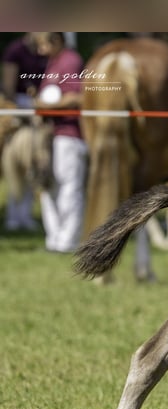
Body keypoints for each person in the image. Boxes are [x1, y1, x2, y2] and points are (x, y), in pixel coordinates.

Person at [33, 32, 88, 253]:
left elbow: (77, 97)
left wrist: (48, 106)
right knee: (49, 187)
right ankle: (54, 240)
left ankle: (68, 241)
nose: (40, 51)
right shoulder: (53, 62)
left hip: (70, 134)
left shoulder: (71, 60)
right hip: (52, 134)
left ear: (57, 41)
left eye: (43, 45)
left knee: (69, 188)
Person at [2, 33, 49, 231]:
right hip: (19, 112)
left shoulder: (43, 53)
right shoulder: (15, 51)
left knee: (32, 168)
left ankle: (25, 214)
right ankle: (14, 215)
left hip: (37, 110)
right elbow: (8, 87)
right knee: (15, 168)